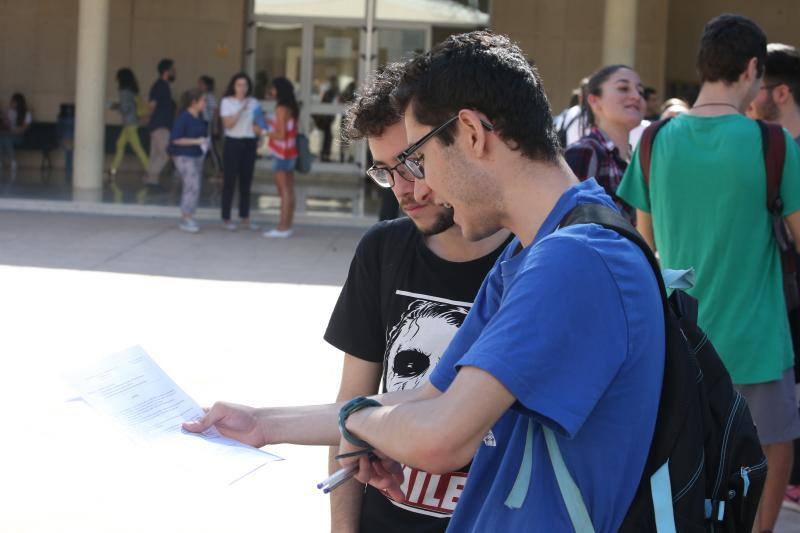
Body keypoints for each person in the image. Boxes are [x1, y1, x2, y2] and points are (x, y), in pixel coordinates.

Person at [187, 31, 665, 532]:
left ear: (472, 134)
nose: (420, 186)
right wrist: (264, 424)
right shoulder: (538, 248)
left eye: (419, 159)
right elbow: (428, 397)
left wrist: (359, 426)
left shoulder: (574, 257)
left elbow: (441, 436)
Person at [185, 60, 511, 532]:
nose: (405, 189)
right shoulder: (384, 250)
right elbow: (352, 406)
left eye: (414, 164)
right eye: (385, 172)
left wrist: (267, 422)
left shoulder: (533, 262)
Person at [617, 15, 800, 533]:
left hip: (681, 338)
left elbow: (644, 248)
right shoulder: (774, 145)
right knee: (773, 445)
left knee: (690, 462)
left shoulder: (654, 140)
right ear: (751, 70)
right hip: (757, 340)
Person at [745, 41, 800, 514]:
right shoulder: (757, 147)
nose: (748, 92)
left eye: (756, 84)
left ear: (778, 92)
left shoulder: (783, 150)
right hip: (776, 310)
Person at [564, 64, 644, 223]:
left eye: (641, 91)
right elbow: (571, 225)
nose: (636, 96)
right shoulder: (584, 151)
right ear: (594, 101)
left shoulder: (637, 160)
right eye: (623, 88)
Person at [220, 72, 259, 231]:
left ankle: (245, 217)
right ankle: (227, 217)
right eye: (239, 85)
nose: (242, 88)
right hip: (233, 142)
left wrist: (261, 131)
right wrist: (240, 109)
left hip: (249, 142)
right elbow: (228, 124)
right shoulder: (226, 102)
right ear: (233, 86)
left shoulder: (254, 102)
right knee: (229, 181)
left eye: (245, 85)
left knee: (246, 182)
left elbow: (257, 123)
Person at [263, 77, 299, 238]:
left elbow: (280, 134)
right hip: (291, 153)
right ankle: (287, 225)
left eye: (273, 88)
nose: (272, 91)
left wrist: (263, 132)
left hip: (281, 154)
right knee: (289, 190)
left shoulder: (281, 108)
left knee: (283, 190)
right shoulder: (291, 107)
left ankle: (282, 227)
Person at [168, 89, 208, 234]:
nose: (205, 103)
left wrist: (203, 143)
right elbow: (176, 139)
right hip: (183, 155)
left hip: (197, 154)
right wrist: (196, 141)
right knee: (192, 184)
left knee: (194, 185)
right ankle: (186, 217)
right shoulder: (184, 118)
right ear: (194, 102)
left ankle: (189, 215)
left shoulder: (200, 116)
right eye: (203, 100)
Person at [109, 68, 149, 179]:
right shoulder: (132, 90)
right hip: (132, 122)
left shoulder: (124, 91)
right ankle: (112, 170)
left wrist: (114, 106)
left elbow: (125, 109)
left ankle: (150, 170)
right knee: (120, 144)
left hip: (129, 123)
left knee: (136, 147)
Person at [145, 58, 176, 187]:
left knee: (156, 154)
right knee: (166, 152)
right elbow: (152, 105)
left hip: (159, 125)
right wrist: (150, 119)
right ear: (166, 71)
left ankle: (152, 181)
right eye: (173, 69)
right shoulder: (159, 86)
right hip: (160, 125)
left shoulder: (164, 85)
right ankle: (150, 176)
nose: (175, 71)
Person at [0, 93, 32, 174]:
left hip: (20, 136)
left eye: (13, 101)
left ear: (18, 103)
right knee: (2, 138)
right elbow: (6, 126)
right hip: (9, 134)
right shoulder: (10, 111)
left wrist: (11, 132)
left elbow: (23, 129)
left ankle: (13, 161)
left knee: (6, 138)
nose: (11, 103)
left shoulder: (27, 113)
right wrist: (5, 118)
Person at [198, 75, 222, 178]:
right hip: (201, 123)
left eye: (201, 84)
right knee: (201, 146)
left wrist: (215, 126)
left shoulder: (209, 96)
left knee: (210, 146)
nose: (199, 85)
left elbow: (216, 111)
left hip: (207, 123)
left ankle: (219, 169)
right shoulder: (201, 95)